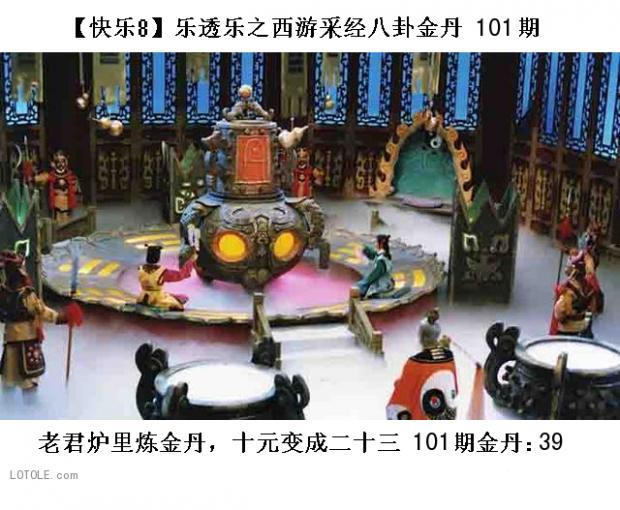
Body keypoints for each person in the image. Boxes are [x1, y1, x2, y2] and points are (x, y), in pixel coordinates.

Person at [0, 250, 83, 390]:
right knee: (27, 383)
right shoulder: (26, 295)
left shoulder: (3, 293)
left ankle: (11, 404)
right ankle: (26, 404)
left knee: (10, 382)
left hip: (11, 342)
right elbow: (42, 312)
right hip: (25, 344)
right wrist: (63, 317)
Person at [387, 335, 458, 420]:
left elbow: (401, 396)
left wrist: (398, 384)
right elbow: (453, 390)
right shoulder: (448, 358)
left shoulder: (415, 363)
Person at [137, 245, 197, 311]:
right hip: (157, 299)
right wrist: (190, 261)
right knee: (183, 299)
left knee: (171, 295)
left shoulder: (140, 268)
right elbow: (181, 275)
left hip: (142, 297)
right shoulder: (161, 271)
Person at [550, 252, 596, 338]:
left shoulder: (569, 289)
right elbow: (593, 308)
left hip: (570, 330)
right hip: (579, 329)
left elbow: (560, 313)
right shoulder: (589, 287)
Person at [35, 150, 79, 223]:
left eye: (63, 161)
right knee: (57, 220)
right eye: (58, 162)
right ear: (53, 163)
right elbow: (40, 178)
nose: (60, 164)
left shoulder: (70, 175)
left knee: (66, 221)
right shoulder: (51, 175)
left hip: (66, 201)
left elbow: (74, 186)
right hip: (56, 201)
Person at [356, 234, 395, 299]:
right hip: (387, 283)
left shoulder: (381, 260)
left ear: (381, 244)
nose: (375, 244)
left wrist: (359, 284)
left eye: (377, 242)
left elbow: (373, 277)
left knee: (360, 287)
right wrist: (364, 248)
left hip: (383, 286)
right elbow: (374, 255)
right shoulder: (384, 254)